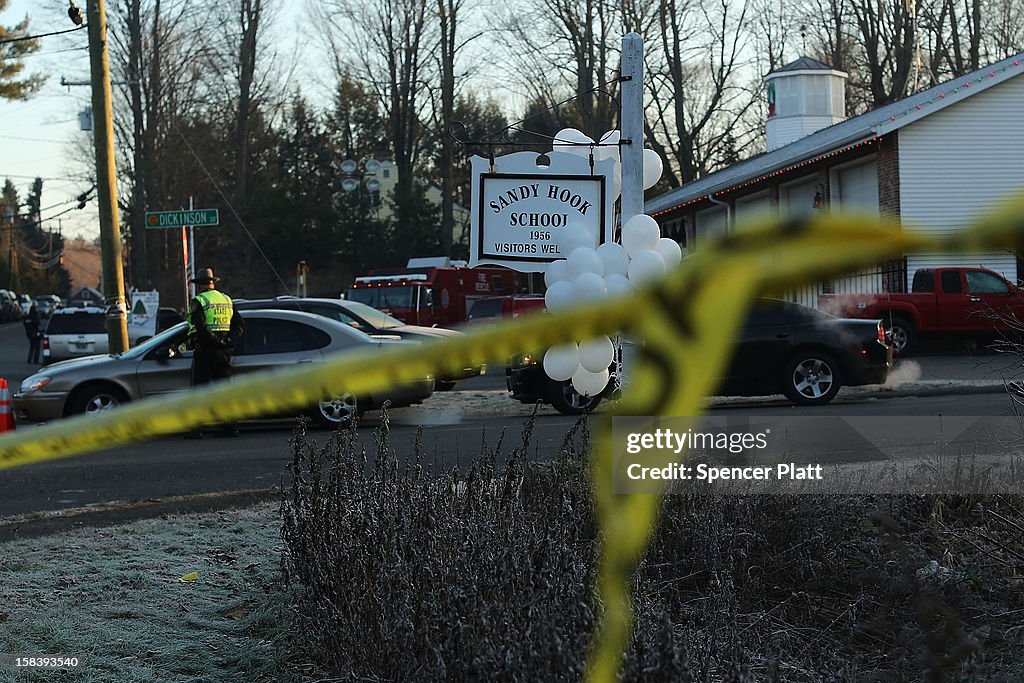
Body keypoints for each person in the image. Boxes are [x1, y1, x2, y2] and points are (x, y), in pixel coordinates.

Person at [186, 267, 245, 438]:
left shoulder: (199, 301)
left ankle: (196, 430)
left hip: (206, 350)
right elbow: (239, 324)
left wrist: (214, 340)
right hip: (224, 352)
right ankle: (230, 428)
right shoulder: (226, 299)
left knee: (199, 391)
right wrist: (228, 340)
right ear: (212, 283)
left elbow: (200, 326)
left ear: (199, 285)